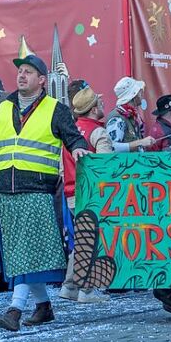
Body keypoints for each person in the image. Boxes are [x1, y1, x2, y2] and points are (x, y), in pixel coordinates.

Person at [0, 54, 89, 332]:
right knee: (19, 251)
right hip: (7, 191)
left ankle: (15, 309)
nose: (21, 75)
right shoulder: (2, 108)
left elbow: (73, 135)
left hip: (37, 189)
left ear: (42, 80)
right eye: (20, 71)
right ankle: (44, 307)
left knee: (23, 251)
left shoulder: (54, 109)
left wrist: (79, 147)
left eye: (28, 72)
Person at [60, 82, 113, 303]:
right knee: (93, 241)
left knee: (81, 239)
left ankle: (70, 286)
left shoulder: (70, 132)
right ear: (93, 109)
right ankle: (88, 290)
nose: (103, 104)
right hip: (91, 195)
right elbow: (104, 168)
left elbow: (61, 166)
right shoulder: (98, 132)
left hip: (72, 193)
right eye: (99, 102)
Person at [106, 77, 156, 151]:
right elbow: (112, 147)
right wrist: (140, 143)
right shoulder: (117, 118)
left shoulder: (132, 115)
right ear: (134, 95)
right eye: (139, 91)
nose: (142, 94)